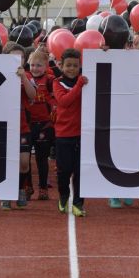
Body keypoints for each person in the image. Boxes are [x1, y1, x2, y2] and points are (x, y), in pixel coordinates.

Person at [0, 43, 36, 210]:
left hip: (23, 126)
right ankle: (6, 194)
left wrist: (23, 78)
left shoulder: (27, 76)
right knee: (6, 162)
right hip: (4, 126)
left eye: (20, 57)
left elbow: (32, 96)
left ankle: (21, 189)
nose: (17, 60)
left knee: (23, 163)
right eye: (13, 56)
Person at [54, 48, 88, 217]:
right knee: (64, 171)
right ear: (61, 66)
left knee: (80, 171)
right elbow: (64, 101)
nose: (72, 69)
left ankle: (78, 203)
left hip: (82, 135)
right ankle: (64, 195)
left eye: (75, 65)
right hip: (63, 135)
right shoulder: (57, 82)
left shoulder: (84, 80)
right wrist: (79, 85)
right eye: (68, 65)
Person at [25, 49, 56, 201]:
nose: (35, 68)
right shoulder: (25, 77)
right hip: (28, 124)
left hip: (45, 125)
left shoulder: (50, 80)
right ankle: (28, 186)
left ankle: (43, 188)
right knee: (26, 159)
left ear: (45, 66)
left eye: (39, 65)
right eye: (32, 65)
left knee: (41, 158)